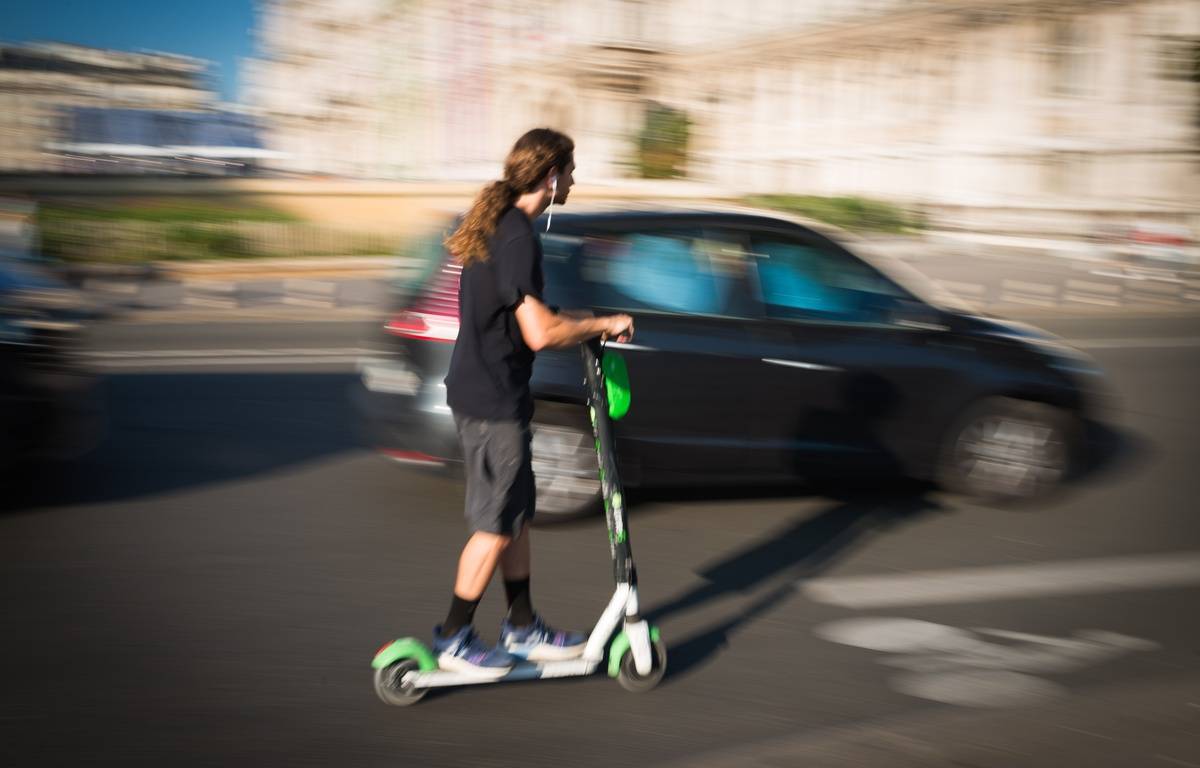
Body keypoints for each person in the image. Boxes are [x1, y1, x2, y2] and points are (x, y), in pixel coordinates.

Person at [434, 128, 634, 677]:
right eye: (569, 170)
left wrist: (584, 321)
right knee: (496, 524)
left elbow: (526, 316)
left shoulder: (500, 223)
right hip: (491, 401)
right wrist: (602, 323)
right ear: (550, 176)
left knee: (517, 518)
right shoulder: (518, 235)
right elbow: (540, 333)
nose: (574, 179)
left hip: (490, 390)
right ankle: (452, 636)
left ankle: (522, 626)